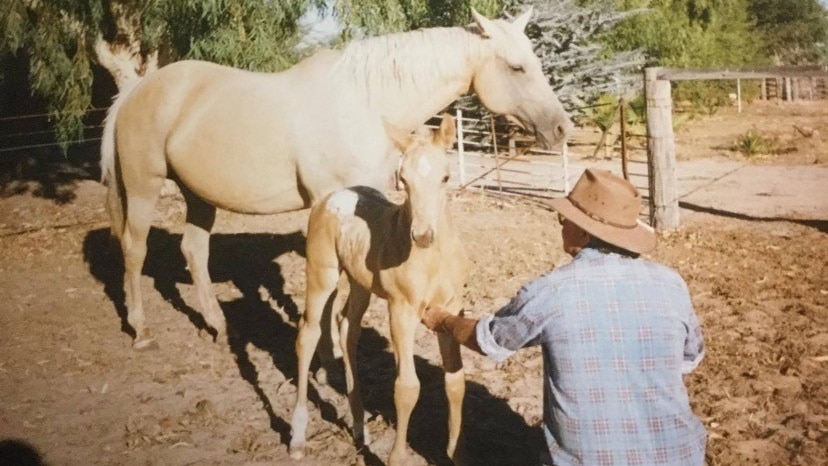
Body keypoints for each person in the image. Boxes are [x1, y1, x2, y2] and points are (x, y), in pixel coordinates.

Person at [421, 168, 706, 466]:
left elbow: (489, 340)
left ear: (584, 231)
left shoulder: (553, 291)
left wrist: (443, 320)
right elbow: (690, 358)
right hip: (682, 456)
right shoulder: (671, 284)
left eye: (564, 219)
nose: (561, 226)